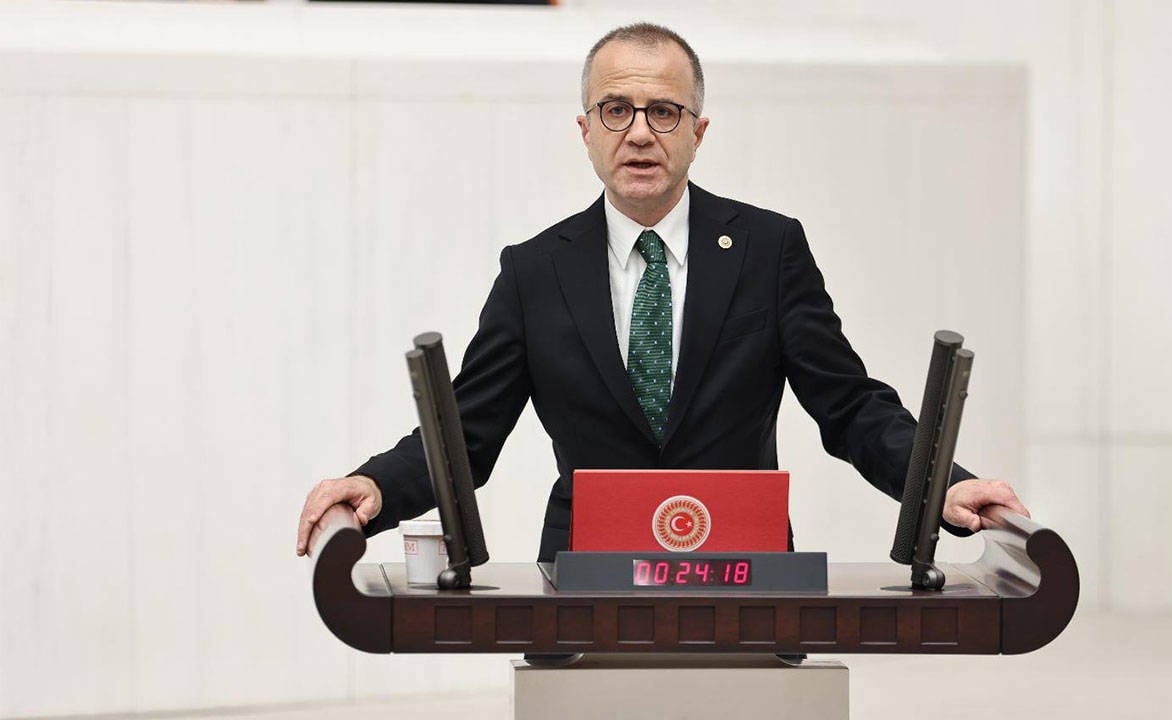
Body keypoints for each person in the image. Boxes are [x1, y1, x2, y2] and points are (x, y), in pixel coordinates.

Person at [295, 22, 1029, 561]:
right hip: (581, 583)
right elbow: (468, 431)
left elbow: (850, 406)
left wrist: (944, 485)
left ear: (698, 131)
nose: (640, 133)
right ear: (585, 130)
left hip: (746, 573)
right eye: (616, 109)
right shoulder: (534, 271)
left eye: (664, 111)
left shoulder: (769, 251)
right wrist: (376, 485)